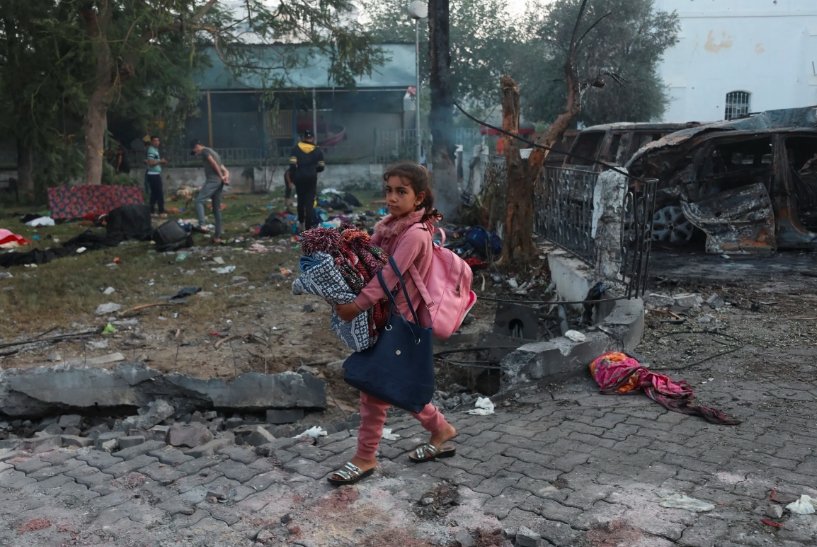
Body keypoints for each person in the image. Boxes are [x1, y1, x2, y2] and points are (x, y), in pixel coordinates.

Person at [330, 161, 457, 486]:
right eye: (388, 190)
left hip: (404, 323)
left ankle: (365, 457)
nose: (392, 197)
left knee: (375, 389)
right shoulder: (389, 227)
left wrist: (357, 305)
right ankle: (440, 429)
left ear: (420, 198)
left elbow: (389, 276)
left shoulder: (414, 234)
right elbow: (370, 264)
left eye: (401, 191)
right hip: (387, 319)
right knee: (391, 386)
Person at [191, 139, 230, 244]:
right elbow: (225, 169)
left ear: (197, 146)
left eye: (195, 151)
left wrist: (220, 176)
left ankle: (202, 224)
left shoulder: (204, 151)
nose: (196, 154)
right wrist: (225, 177)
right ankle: (217, 237)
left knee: (199, 201)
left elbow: (213, 163)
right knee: (216, 209)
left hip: (213, 180)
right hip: (219, 182)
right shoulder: (214, 152)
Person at [288, 129, 325, 232]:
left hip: (299, 177)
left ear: (303, 138)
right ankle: (308, 229)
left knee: (301, 201)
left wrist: (293, 177)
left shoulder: (295, 149)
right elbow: (322, 167)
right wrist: (313, 170)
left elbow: (292, 166)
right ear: (312, 138)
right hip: (311, 178)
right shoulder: (317, 150)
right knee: (309, 202)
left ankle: (301, 223)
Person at [145, 135, 168, 216]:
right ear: (151, 142)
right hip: (153, 175)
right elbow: (151, 163)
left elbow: (154, 161)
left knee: (154, 194)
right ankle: (161, 211)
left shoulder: (155, 150)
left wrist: (161, 162)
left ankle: (151, 211)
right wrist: (160, 161)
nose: (157, 142)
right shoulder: (151, 150)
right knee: (159, 193)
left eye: (158, 140)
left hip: (155, 174)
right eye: (155, 141)